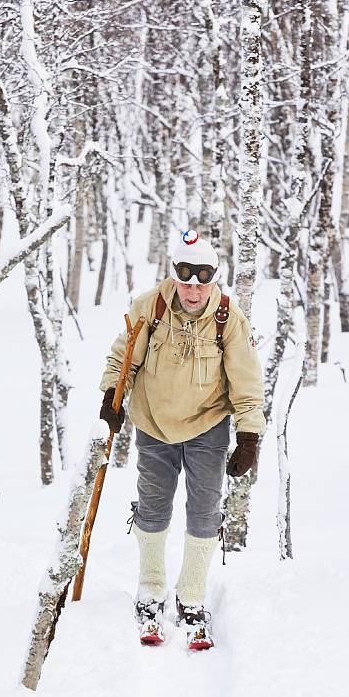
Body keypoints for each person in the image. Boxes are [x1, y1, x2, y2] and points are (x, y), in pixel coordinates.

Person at [99, 230, 265, 650]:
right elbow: (124, 357)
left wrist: (249, 435)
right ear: (174, 275)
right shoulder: (150, 307)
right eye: (185, 278)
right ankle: (151, 589)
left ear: (214, 279)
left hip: (208, 425)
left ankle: (191, 597)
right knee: (153, 507)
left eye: (202, 279)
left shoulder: (228, 318)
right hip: (153, 423)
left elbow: (246, 382)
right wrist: (111, 396)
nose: (193, 288)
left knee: (205, 510)